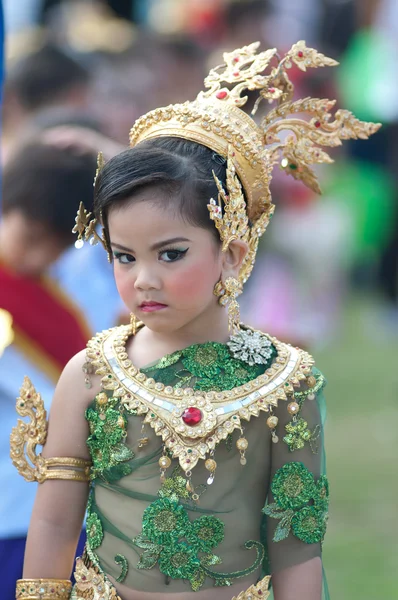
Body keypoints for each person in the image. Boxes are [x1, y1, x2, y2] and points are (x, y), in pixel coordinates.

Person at [11, 41, 380, 600]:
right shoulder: (89, 374)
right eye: (124, 257)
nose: (144, 280)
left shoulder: (285, 382)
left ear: (231, 255)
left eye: (172, 254)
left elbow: (296, 546)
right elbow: (55, 524)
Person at [0, 140, 97, 599]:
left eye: (55, 245)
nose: (38, 257)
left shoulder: (61, 303)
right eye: (30, 236)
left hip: (47, 507)